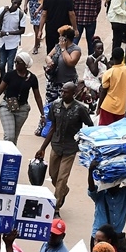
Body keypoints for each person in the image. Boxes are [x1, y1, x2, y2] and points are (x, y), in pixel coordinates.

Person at [37, 82, 93, 210]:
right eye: (62, 91)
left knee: (62, 178)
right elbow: (52, 127)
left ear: (73, 93)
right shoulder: (55, 105)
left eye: (66, 92)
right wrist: (42, 148)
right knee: (53, 175)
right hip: (56, 145)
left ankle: (55, 207)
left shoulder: (80, 109)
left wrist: (84, 142)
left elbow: (90, 125)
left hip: (70, 148)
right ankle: (64, 190)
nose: (62, 94)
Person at [0, 52, 44, 143]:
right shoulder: (9, 75)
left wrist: (42, 114)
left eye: (18, 62)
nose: (16, 64)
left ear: (25, 64)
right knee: (9, 136)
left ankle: (11, 156)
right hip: (7, 106)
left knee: (14, 138)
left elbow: (37, 97)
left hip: (22, 109)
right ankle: (7, 154)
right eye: (15, 62)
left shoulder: (32, 78)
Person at [98, 47, 126, 125]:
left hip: (107, 106)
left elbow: (103, 91)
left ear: (113, 58)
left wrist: (98, 107)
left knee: (104, 131)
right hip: (121, 108)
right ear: (123, 57)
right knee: (118, 131)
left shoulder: (108, 73)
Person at [0, 0, 28, 78]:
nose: (16, 5)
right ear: (11, 1)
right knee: (2, 64)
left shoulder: (21, 14)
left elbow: (22, 30)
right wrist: (3, 13)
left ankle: (8, 83)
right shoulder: (3, 9)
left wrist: (7, 33)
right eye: (14, 2)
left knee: (10, 65)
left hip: (13, 43)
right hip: (3, 42)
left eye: (18, 3)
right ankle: (2, 78)